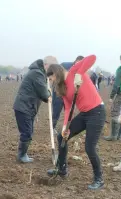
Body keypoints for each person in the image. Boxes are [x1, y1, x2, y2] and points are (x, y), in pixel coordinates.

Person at [46, 55, 106, 190]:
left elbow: (92, 58)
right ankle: (62, 169)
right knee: (62, 137)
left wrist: (79, 74)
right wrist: (65, 127)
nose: (51, 82)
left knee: (89, 147)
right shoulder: (63, 87)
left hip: (97, 112)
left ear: (55, 73)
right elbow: (68, 108)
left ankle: (99, 178)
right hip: (85, 114)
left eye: (51, 79)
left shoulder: (73, 71)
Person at [13, 58, 51, 163]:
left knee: (28, 132)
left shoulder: (37, 72)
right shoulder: (37, 73)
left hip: (27, 107)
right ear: (45, 65)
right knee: (27, 132)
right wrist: (49, 95)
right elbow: (43, 93)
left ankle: (23, 154)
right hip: (24, 107)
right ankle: (21, 155)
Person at [44, 56, 84, 130]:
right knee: (56, 111)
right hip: (58, 94)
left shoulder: (79, 70)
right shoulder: (64, 65)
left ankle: (67, 128)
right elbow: (54, 76)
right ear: (76, 60)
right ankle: (52, 127)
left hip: (68, 94)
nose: (79, 64)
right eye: (79, 62)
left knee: (68, 111)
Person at [104, 48, 121, 141]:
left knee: (115, 113)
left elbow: (116, 84)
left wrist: (111, 96)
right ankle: (119, 135)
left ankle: (113, 135)